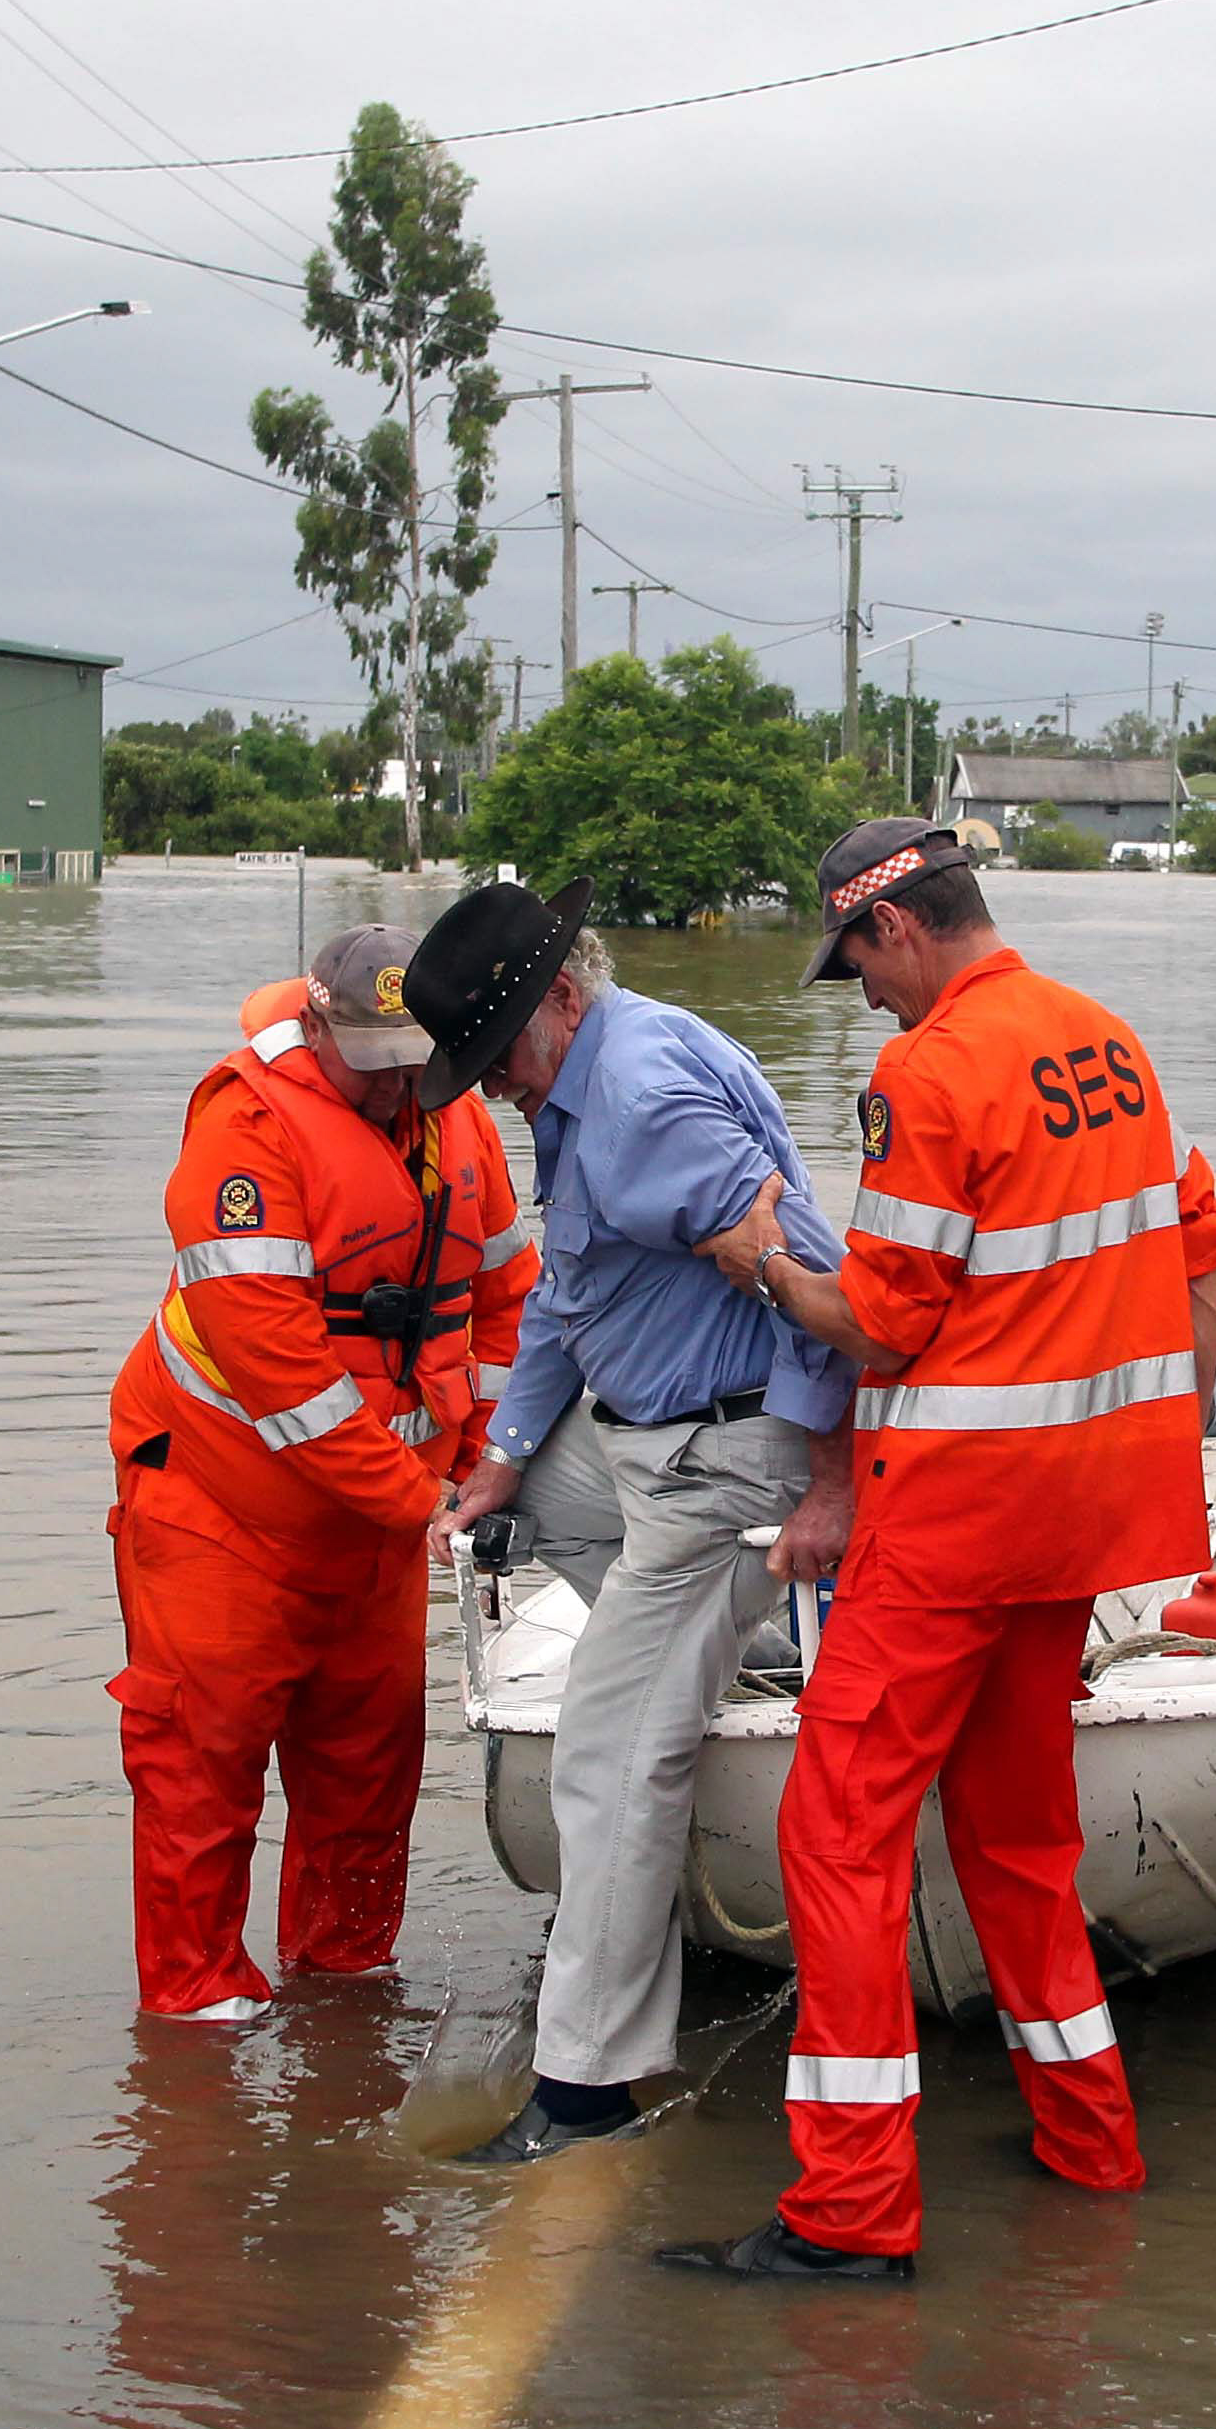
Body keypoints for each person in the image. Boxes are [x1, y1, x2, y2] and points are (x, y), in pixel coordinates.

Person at [655, 819, 1216, 2282]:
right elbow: (1201, 1238)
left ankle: (850, 2214)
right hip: (1087, 1523)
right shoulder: (1112, 1043)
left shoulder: (931, 1070)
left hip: (959, 1523)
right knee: (1019, 1840)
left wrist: (766, 1267)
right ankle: (1089, 2143)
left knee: (835, 1836)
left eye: (856, 965)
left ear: (898, 929)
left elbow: (886, 1317)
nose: (860, 997)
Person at [412, 881, 859, 2166]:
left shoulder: (641, 1098)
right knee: (535, 1505)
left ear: (561, 994)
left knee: (602, 1757)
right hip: (639, 1440)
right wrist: (502, 1459)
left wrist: (831, 1484)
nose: (493, 1088)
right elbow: (565, 1290)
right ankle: (724, 1651)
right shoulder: (598, 1066)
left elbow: (815, 1278)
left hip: (724, 1460)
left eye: (498, 1059)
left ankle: (590, 2085)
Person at [101, 924, 537, 2022]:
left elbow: (506, 1302)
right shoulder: (244, 1132)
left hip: (385, 1522)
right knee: (200, 1772)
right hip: (221, 1505)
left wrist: (490, 1453)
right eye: (375, 1058)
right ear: (313, 1023)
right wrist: (428, 1502)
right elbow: (280, 1376)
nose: (399, 1083)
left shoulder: (459, 1118)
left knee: (367, 1778)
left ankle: (344, 1993)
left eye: (414, 1058)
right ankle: (195, 2018)